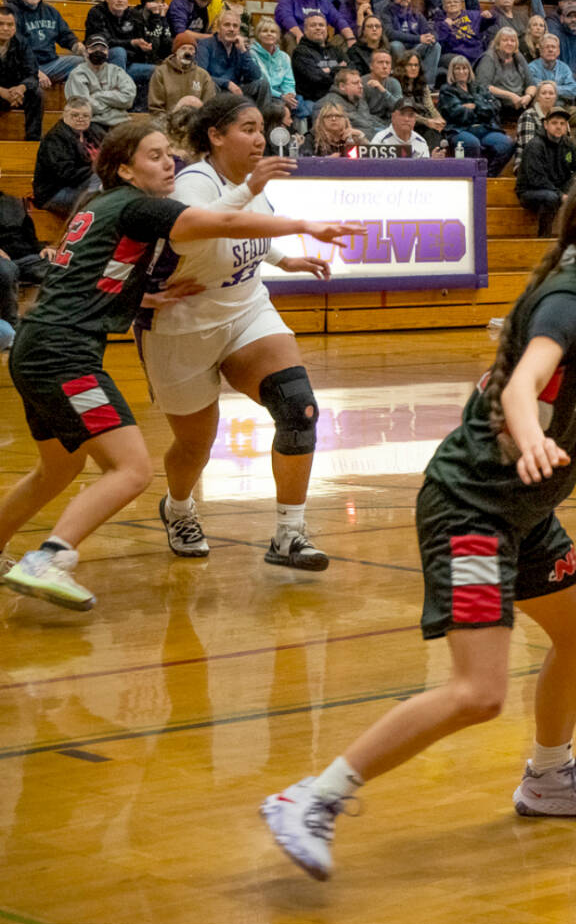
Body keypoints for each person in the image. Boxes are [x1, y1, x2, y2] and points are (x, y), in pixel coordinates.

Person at [261, 166, 576, 881]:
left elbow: (519, 376)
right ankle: (310, 798)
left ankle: (547, 778)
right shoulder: (571, 303)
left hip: (525, 512)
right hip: (472, 509)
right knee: (478, 692)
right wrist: (531, 433)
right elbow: (517, 383)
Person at [0, 121, 355, 610]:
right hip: (64, 355)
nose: (168, 162)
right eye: (153, 155)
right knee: (130, 471)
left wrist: (148, 295)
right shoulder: (139, 206)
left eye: (169, 153)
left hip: (36, 346)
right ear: (124, 168)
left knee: (58, 468)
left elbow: (90, 277)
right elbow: (223, 225)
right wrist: (304, 226)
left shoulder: (96, 205)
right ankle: (51, 558)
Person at [138, 96, 344, 572]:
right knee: (195, 447)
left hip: (247, 310)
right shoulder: (192, 184)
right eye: (248, 129)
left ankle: (290, 534)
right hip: (182, 325)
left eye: (261, 129)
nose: (260, 138)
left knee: (299, 407)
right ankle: (179, 508)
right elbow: (219, 223)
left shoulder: (251, 184)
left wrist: (282, 258)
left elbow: (249, 228)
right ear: (215, 135)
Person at [517, 104, 576, 235]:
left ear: (566, 126)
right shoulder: (535, 146)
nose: (559, 126)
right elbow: (537, 180)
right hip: (531, 191)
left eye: (562, 123)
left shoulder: (569, 143)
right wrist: (561, 196)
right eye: (554, 123)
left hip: (558, 187)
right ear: (545, 125)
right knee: (551, 198)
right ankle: (544, 237)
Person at [439, 56, 514, 177]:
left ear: (469, 70)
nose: (462, 72)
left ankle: (488, 177)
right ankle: (472, 178)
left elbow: (495, 107)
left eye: (464, 68)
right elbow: (456, 114)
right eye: (457, 69)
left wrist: (473, 107)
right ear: (452, 72)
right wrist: (481, 109)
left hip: (485, 128)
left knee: (506, 143)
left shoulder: (479, 87)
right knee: (471, 144)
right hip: (460, 129)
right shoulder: (447, 90)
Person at [8, 0, 82, 84]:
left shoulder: (50, 11)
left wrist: (77, 45)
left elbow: (65, 34)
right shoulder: (9, 13)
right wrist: (34, 71)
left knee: (83, 64)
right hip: (22, 67)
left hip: (51, 63)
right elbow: (12, 51)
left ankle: (78, 101)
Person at [31, 96, 99, 216]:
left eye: (85, 115)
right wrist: (98, 170)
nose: (80, 119)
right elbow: (66, 173)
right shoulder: (55, 138)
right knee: (103, 194)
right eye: (75, 115)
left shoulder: (91, 133)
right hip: (54, 193)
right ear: (65, 116)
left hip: (82, 186)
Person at [0, 185, 51, 330]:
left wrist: (44, 250)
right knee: (6, 271)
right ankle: (11, 328)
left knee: (58, 266)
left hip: (25, 259)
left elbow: (30, 236)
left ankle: (55, 325)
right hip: (3, 263)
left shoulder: (14, 202)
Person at [196, 9, 270, 109]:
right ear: (218, 28)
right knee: (211, 86)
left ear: (238, 30)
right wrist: (226, 83)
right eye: (227, 25)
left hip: (237, 91)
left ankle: (261, 122)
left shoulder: (239, 47)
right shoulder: (205, 45)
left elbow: (255, 76)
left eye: (235, 26)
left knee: (263, 84)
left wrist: (243, 51)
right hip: (218, 90)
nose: (231, 29)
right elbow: (201, 75)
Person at [65, 33, 135, 130]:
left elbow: (128, 99)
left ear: (107, 53)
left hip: (121, 123)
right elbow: (83, 107)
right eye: (93, 48)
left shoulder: (117, 71)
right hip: (91, 125)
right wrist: (115, 103)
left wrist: (96, 96)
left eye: (103, 49)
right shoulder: (77, 74)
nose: (98, 51)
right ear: (86, 52)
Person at [381, 0, 439, 82]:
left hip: (415, 48)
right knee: (396, 45)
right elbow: (390, 33)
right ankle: (402, 82)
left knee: (435, 45)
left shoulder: (416, 12)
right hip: (399, 47)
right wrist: (418, 38)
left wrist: (432, 37)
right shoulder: (387, 12)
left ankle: (427, 85)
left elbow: (430, 31)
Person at [250, 17, 306, 121]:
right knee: (279, 108)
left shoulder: (284, 57)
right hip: (263, 96)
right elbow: (261, 83)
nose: (269, 34)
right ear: (258, 34)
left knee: (301, 106)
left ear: (278, 36)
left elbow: (289, 81)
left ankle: (297, 136)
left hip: (283, 95)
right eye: (264, 31)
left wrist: (290, 94)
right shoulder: (252, 54)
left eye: (273, 31)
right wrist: (282, 96)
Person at [474, 25, 535, 121]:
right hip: (498, 103)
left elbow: (531, 84)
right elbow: (483, 86)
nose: (509, 43)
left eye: (512, 41)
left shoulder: (518, 56)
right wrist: (510, 96)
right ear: (498, 43)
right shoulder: (489, 58)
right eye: (505, 40)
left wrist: (528, 96)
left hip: (521, 102)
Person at [149, 31, 217, 114]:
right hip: (167, 122)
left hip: (194, 123)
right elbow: (156, 108)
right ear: (175, 51)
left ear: (194, 53)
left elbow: (209, 106)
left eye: (191, 49)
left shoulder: (203, 75)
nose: (187, 52)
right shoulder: (161, 73)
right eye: (183, 48)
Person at [0, 4, 41, 139]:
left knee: (37, 94)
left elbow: (32, 74)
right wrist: (3, 92)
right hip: (2, 92)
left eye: (10, 25)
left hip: (16, 93)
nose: (5, 28)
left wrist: (21, 88)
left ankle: (32, 141)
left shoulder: (22, 43)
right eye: (1, 24)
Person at [290, 12, 347, 105]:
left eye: (321, 25)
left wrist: (327, 70)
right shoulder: (300, 52)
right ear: (305, 30)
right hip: (313, 101)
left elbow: (351, 70)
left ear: (327, 29)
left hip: (339, 98)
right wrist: (337, 68)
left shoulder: (336, 50)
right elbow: (317, 78)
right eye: (313, 25)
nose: (318, 28)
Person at [434, 0, 494, 67]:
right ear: (444, 7)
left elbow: (490, 22)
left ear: (461, 4)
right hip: (456, 56)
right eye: (449, 2)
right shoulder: (440, 22)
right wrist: (445, 26)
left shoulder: (473, 15)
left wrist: (488, 16)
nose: (452, 4)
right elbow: (439, 42)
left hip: (476, 53)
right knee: (461, 62)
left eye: (455, 2)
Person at [513, 79, 558, 169]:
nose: (547, 96)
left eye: (551, 93)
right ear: (537, 97)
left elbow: (567, 147)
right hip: (528, 165)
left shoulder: (559, 117)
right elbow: (529, 149)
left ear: (556, 97)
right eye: (544, 93)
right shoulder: (528, 115)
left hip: (554, 165)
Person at [528, 32, 576, 105]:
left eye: (553, 47)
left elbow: (572, 91)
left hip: (562, 108)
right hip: (540, 107)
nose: (550, 50)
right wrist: (559, 89)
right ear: (540, 51)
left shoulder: (564, 68)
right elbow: (536, 89)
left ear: (558, 51)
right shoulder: (532, 68)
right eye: (547, 47)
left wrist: (553, 88)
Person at [361, 48, 403, 125]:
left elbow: (399, 109)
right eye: (380, 62)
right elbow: (363, 114)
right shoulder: (362, 83)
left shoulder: (394, 82)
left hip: (390, 124)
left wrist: (383, 90)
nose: (385, 66)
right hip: (369, 125)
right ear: (371, 66)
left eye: (388, 63)